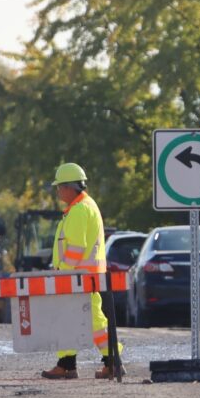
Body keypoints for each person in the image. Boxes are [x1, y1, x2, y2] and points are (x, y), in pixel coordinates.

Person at [40, 163, 124, 380]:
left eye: (60, 187)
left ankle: (105, 362)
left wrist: (62, 272)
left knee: (86, 321)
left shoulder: (79, 210)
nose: (58, 191)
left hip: (77, 277)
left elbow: (76, 248)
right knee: (79, 321)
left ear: (70, 187)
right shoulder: (85, 206)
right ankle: (76, 364)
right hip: (85, 277)